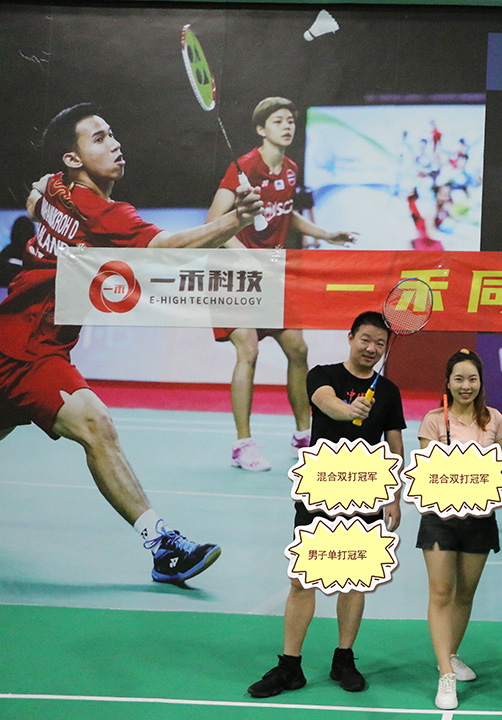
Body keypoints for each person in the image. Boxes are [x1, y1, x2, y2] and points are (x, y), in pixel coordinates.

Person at [0, 103, 262, 583]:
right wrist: (235, 221)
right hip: (29, 349)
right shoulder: (106, 212)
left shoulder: (58, 188)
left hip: (15, 340)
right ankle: (164, 548)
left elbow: (37, 195)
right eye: (99, 138)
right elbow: (166, 250)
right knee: (96, 424)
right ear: (73, 158)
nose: (115, 143)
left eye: (112, 133)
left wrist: (38, 200)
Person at [247, 311, 405, 698]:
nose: (371, 348)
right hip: (321, 490)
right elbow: (326, 404)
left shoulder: (388, 392)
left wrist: (394, 497)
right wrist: (350, 411)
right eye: (365, 339)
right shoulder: (323, 375)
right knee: (302, 579)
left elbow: (395, 446)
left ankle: (344, 659)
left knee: (354, 579)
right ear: (350, 337)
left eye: (379, 343)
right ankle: (290, 666)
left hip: (367, 491)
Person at [205, 97, 358, 473]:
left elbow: (285, 213)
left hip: (269, 275)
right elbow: (213, 221)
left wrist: (326, 234)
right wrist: (243, 255)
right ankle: (243, 445)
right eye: (278, 121)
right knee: (249, 349)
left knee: (298, 349)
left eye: (290, 120)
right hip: (234, 274)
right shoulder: (243, 167)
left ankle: (304, 436)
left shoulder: (290, 169)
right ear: (261, 129)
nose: (287, 126)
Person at [416, 349, 502, 710]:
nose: (466, 385)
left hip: (480, 518)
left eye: (472, 379)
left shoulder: (493, 419)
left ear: (480, 383)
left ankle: (450, 654)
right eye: (459, 379)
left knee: (465, 594)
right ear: (447, 383)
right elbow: (426, 473)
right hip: (440, 518)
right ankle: (446, 674)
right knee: (441, 592)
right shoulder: (434, 422)